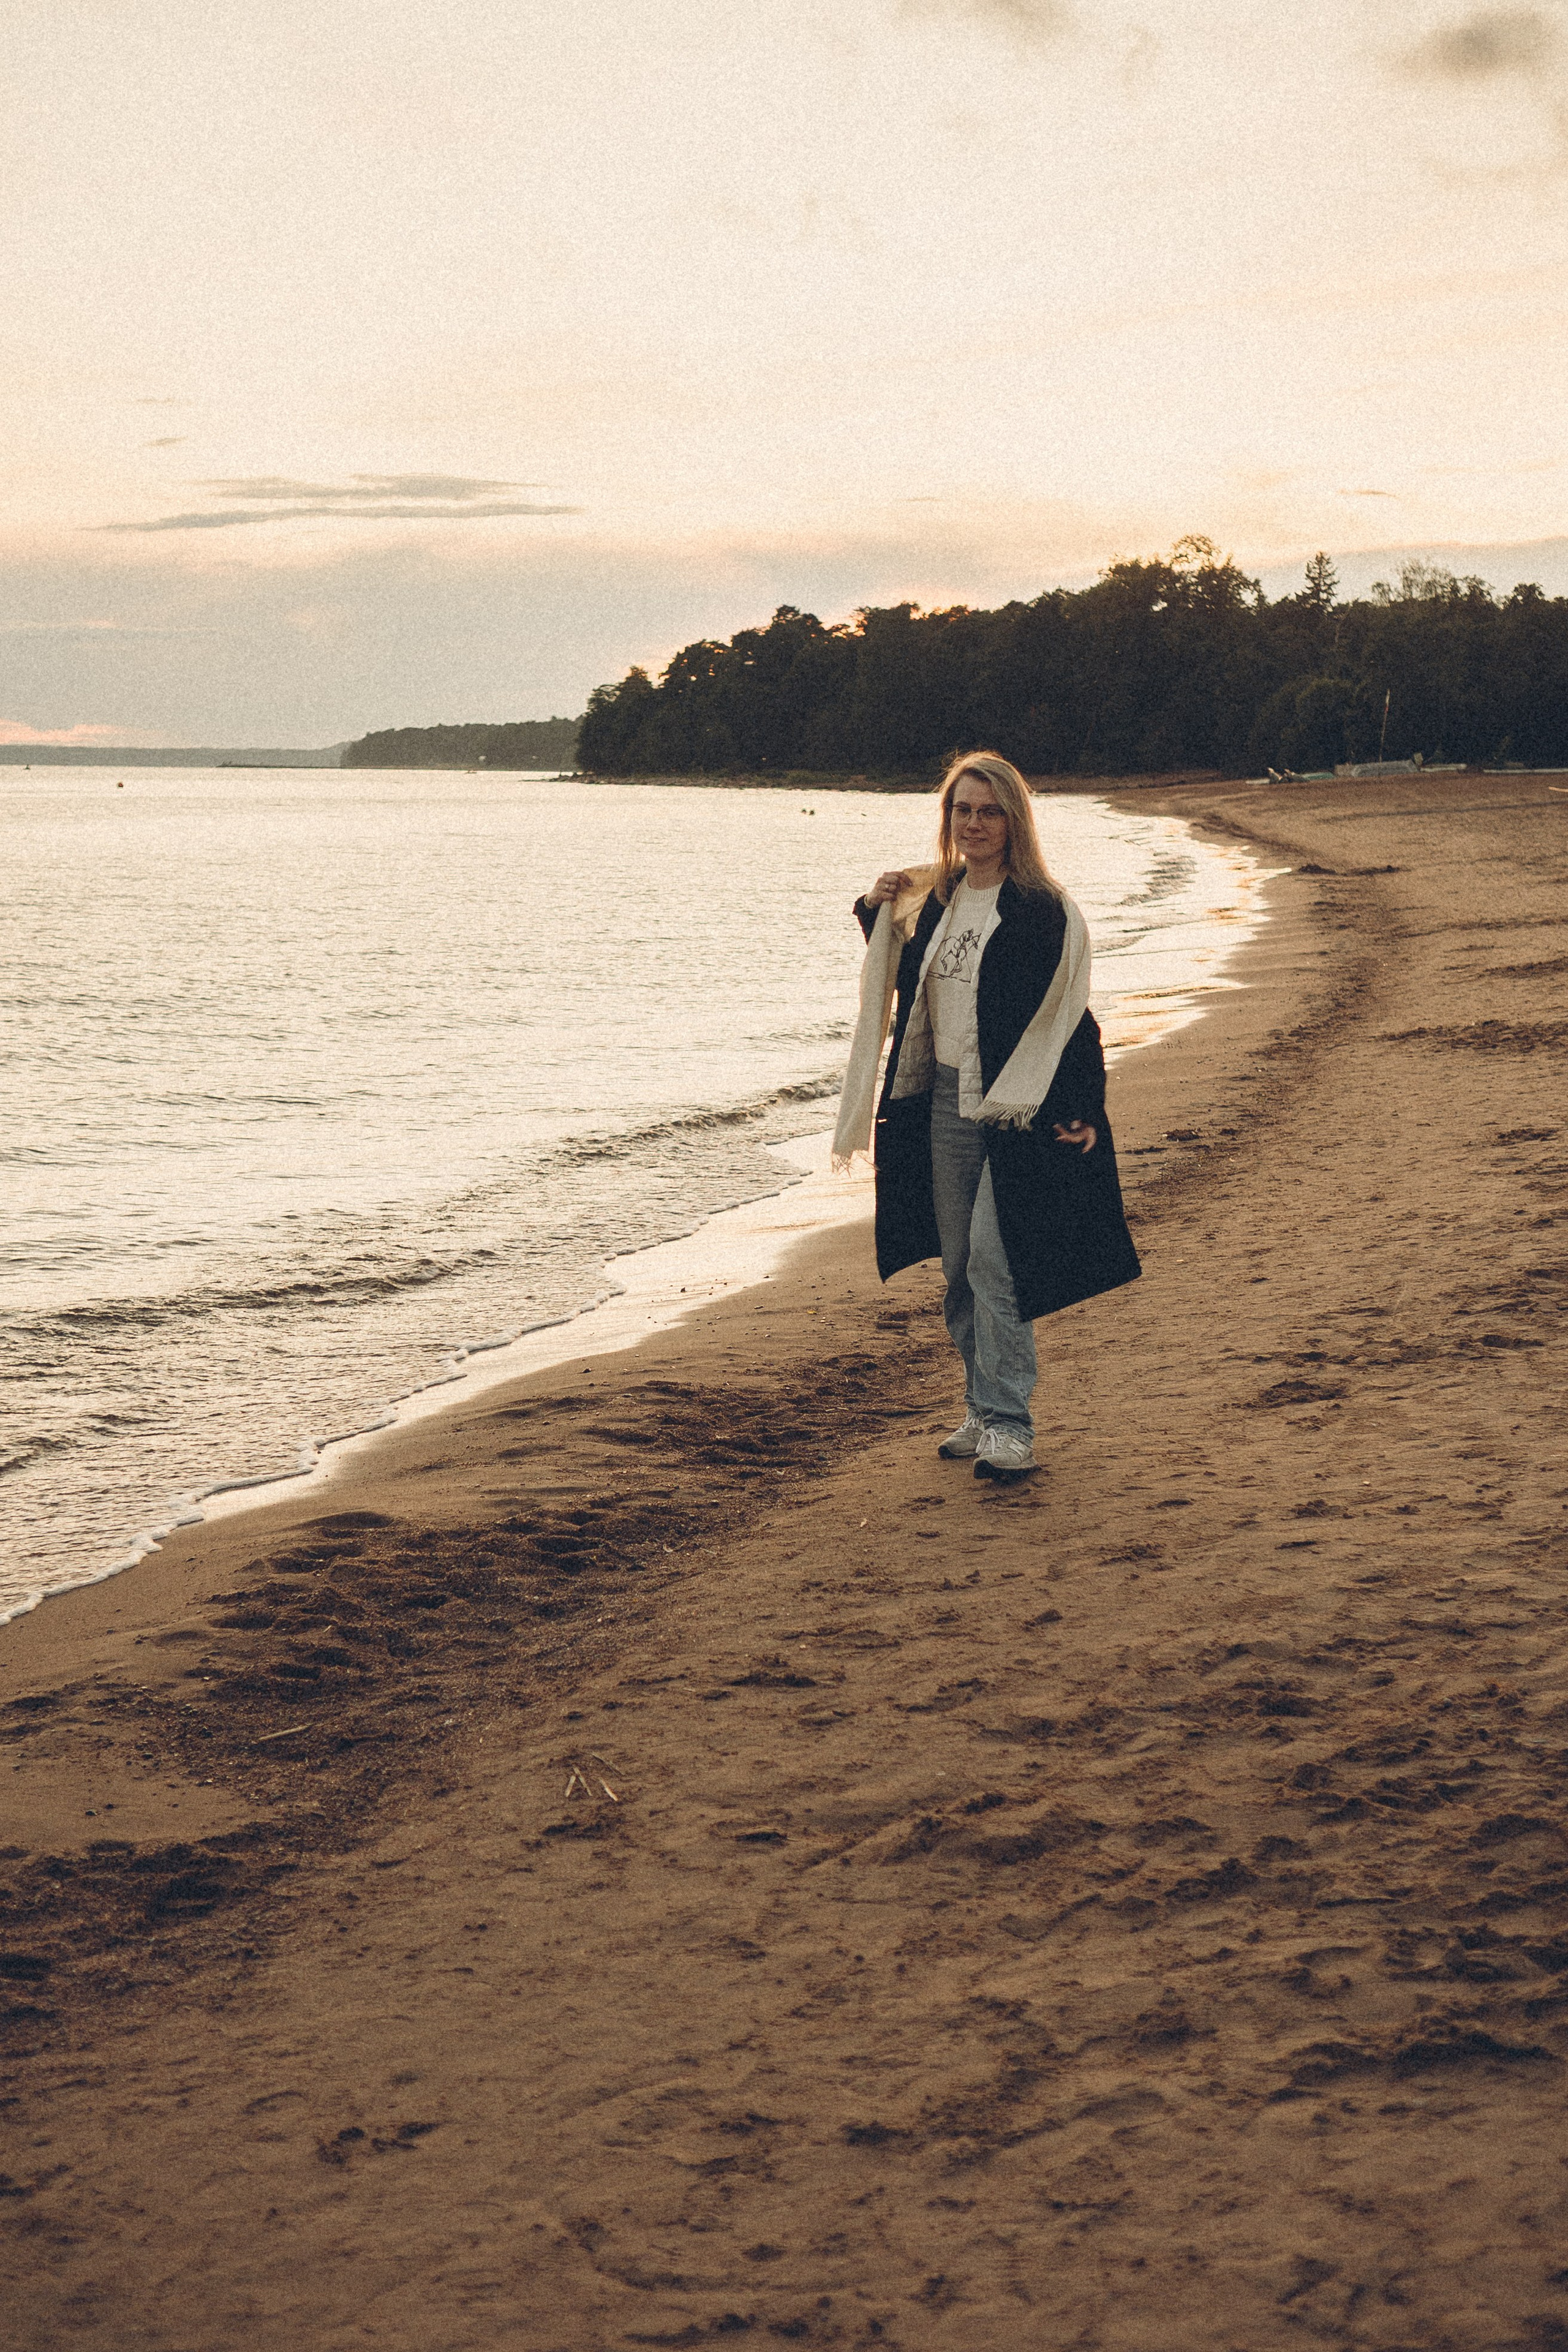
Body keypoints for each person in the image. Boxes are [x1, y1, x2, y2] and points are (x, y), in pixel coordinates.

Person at [831, 752, 1141, 1482]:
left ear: (1013, 819)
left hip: (1014, 1108)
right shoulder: (936, 899)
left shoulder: (1041, 909)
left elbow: (1068, 1013)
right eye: (961, 810)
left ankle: (1011, 1425)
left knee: (996, 1264)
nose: (973, 824)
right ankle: (978, 1407)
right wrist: (873, 911)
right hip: (941, 1101)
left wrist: (1081, 1106)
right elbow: (910, 979)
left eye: (988, 811)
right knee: (960, 1272)